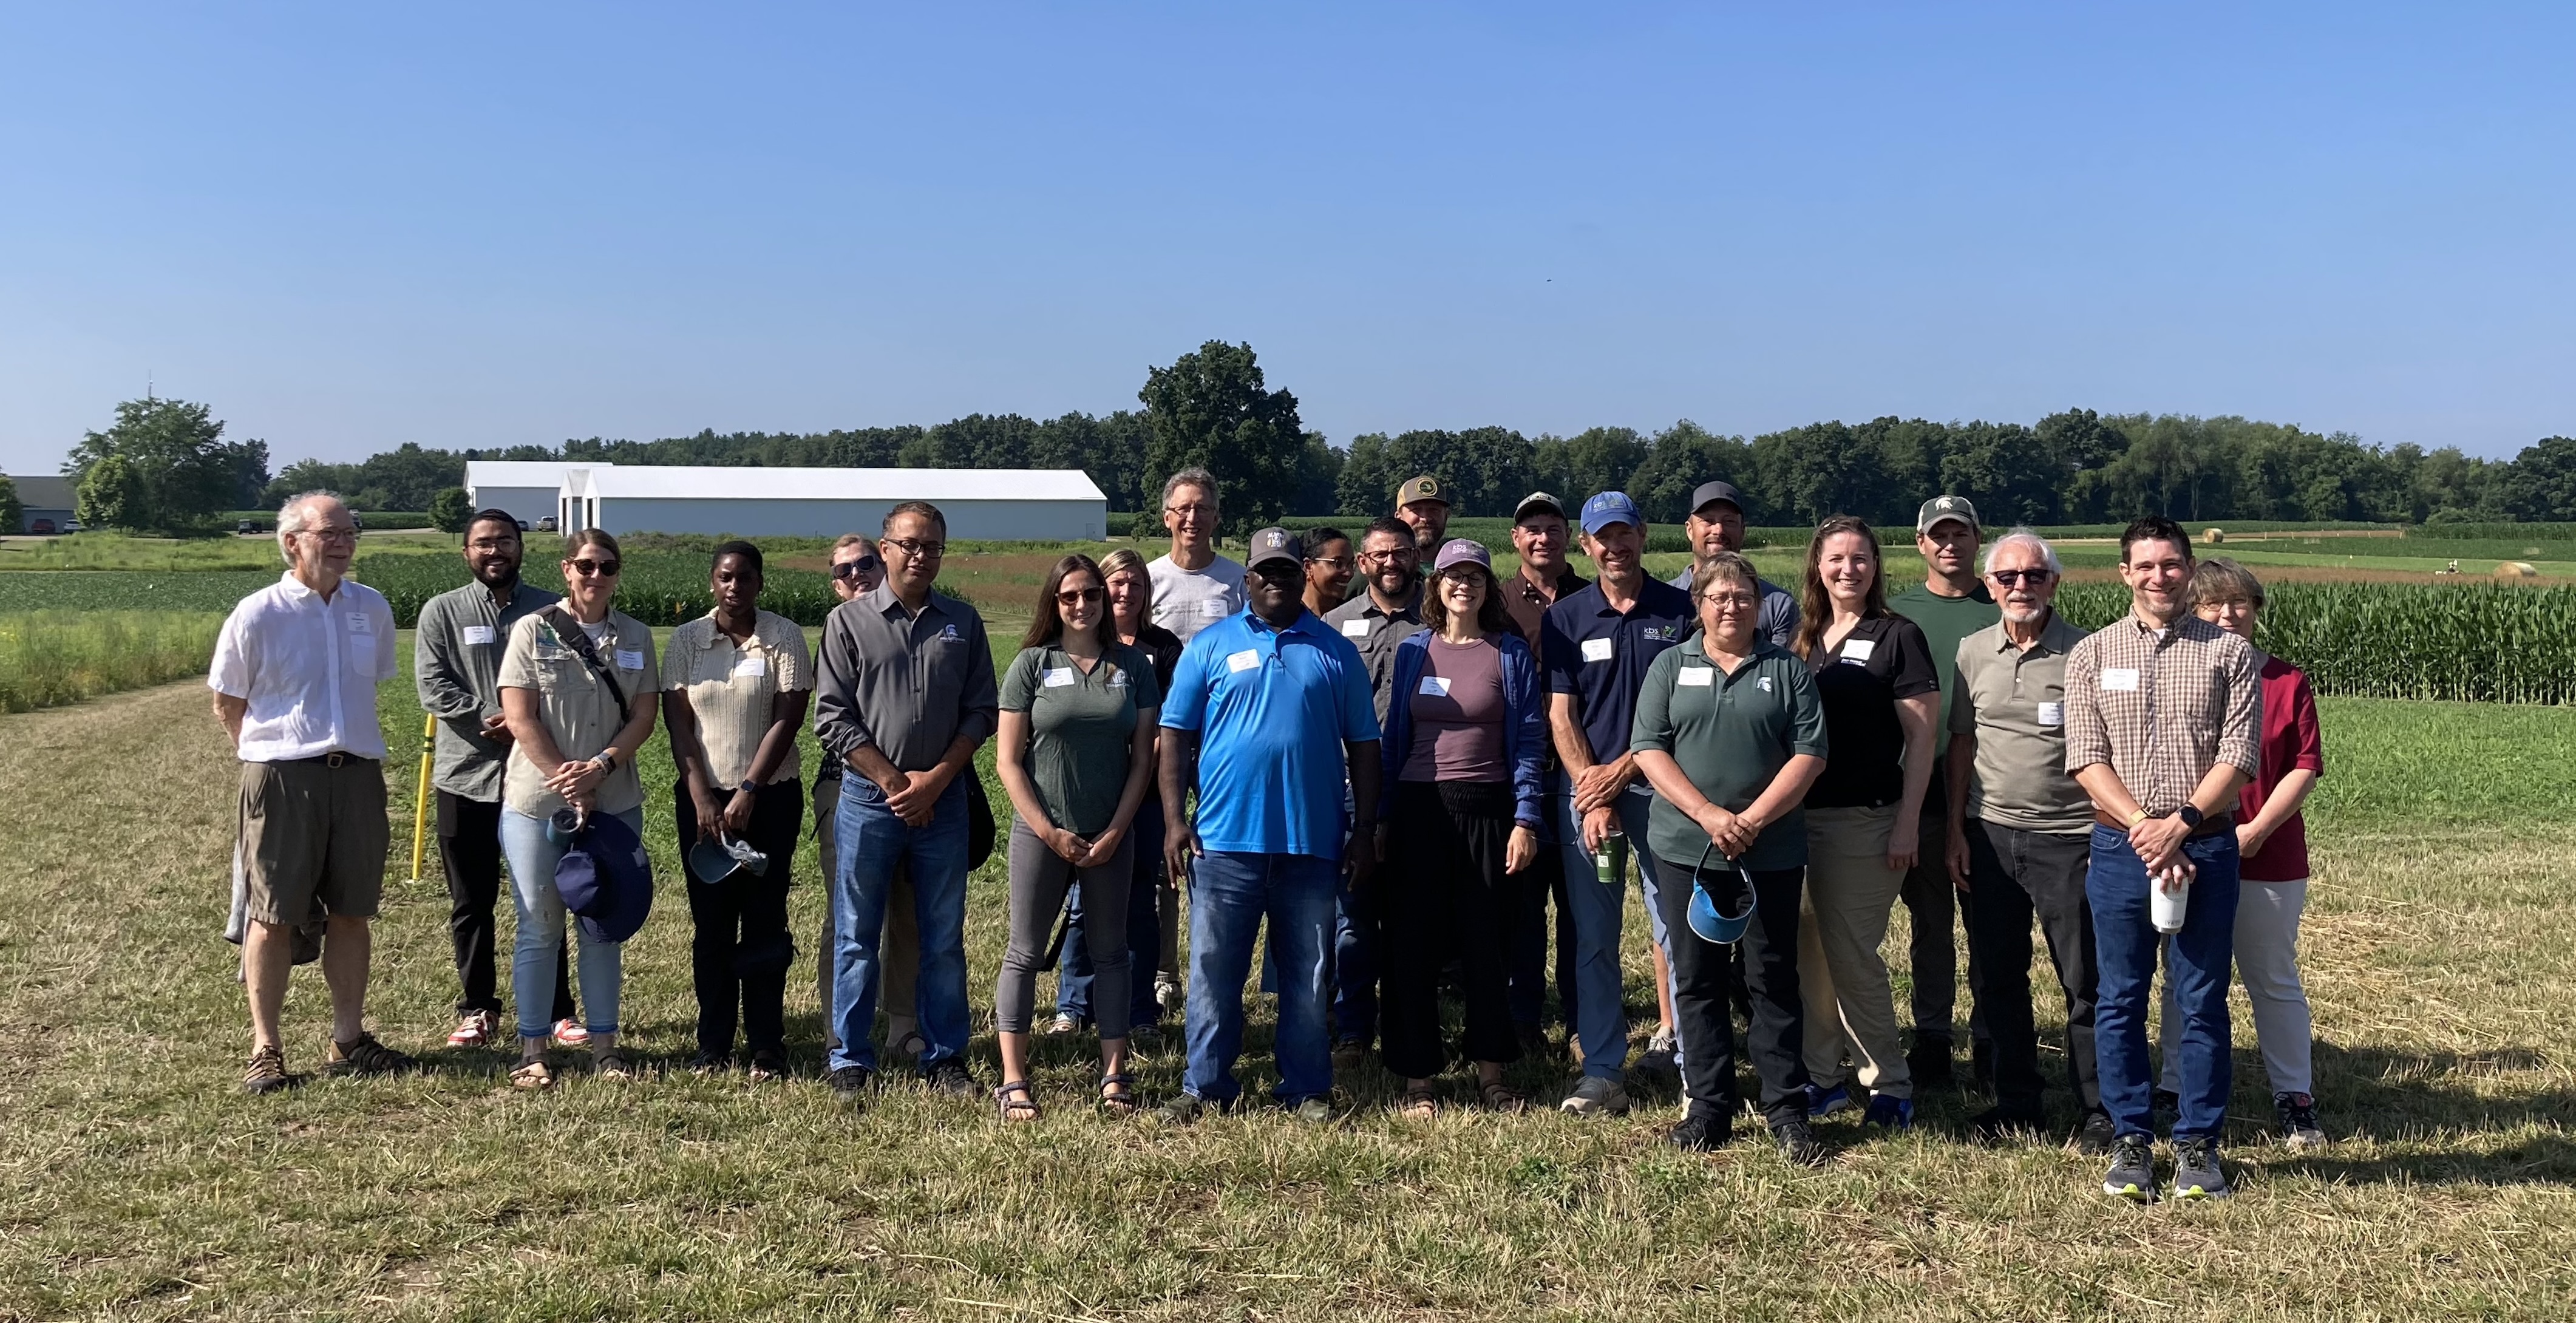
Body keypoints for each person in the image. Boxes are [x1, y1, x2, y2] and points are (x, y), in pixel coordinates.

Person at [1154, 527, 1381, 1124]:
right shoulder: (1210, 646)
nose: (1275, 582)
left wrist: (1362, 831)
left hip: (1311, 844)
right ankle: (1206, 1087)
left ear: (1301, 575)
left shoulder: (1335, 652)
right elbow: (1174, 737)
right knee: (1212, 975)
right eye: (1265, 573)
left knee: (1307, 978)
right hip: (1223, 843)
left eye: (1286, 571)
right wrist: (1175, 820)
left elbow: (1363, 745)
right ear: (1246, 580)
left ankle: (1305, 1089)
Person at [2066, 516, 2262, 1202]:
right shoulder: (2091, 654)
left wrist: (2178, 824)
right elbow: (2085, 758)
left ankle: (2198, 1145)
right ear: (2124, 572)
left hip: (2204, 842)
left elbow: (2238, 756)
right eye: (2145, 565)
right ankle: (2130, 1139)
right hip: (2121, 846)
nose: (2159, 576)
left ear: (2188, 568)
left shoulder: (2228, 653)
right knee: (2119, 998)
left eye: (2171, 564)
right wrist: (2145, 828)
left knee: (2201, 997)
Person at [1631, 550, 1830, 1163]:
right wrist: (1710, 816)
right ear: (1699, 606)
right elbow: (1648, 749)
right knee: (1696, 980)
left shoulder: (1786, 670)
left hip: (1768, 849)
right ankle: (1709, 1107)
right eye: (1717, 596)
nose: (1730, 606)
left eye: (1741, 595)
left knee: (1770, 977)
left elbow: (1809, 754)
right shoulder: (1670, 665)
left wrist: (1750, 820)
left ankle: (1786, 1110)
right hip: (1685, 848)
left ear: (1757, 603)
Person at [212, 491, 413, 1093]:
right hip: (282, 775)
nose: (344, 541)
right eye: (330, 532)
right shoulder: (258, 613)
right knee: (271, 915)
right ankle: (266, 1047)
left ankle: (348, 1039)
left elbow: (367, 685)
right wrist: (266, 762)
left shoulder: (371, 608)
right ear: (292, 541)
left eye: (351, 531)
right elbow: (229, 701)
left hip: (356, 775)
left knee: (353, 912)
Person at [814, 501, 1000, 1101]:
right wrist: (898, 786)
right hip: (869, 802)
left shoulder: (963, 623)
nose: (921, 555)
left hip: (943, 805)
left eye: (932, 547)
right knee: (855, 932)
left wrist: (936, 782)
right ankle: (850, 1059)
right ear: (885, 548)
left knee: (941, 936)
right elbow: (832, 717)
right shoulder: (848, 624)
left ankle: (945, 1057)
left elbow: (980, 712)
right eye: (909, 544)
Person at [1946, 530, 2111, 1151]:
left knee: (2084, 979)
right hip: (1989, 836)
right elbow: (1962, 742)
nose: (2021, 587)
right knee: (1997, 977)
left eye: (2034, 576)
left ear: (2054, 583)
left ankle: (2100, 1108)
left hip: (2070, 839)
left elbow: (2110, 748)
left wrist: (2106, 829)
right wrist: (1959, 830)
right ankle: (2017, 1101)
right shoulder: (1971, 653)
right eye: (2008, 577)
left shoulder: (2087, 654)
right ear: (1989, 586)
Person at [2159, 558, 2328, 1150]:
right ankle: (2174, 1087)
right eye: (2212, 604)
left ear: (2255, 610)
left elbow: (2305, 766)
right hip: (2187, 852)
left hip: (2267, 853)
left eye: (2240, 603)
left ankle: (2294, 1098)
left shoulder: (2286, 682)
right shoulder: (2176, 677)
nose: (2228, 614)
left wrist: (2254, 830)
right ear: (2189, 611)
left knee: (2271, 977)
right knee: (2182, 976)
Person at [1375, 540, 1546, 1114]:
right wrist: (1383, 815)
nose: (1462, 585)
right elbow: (1395, 738)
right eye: (1452, 575)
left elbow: (1527, 741)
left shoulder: (1508, 652)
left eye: (1474, 576)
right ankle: (1418, 1077)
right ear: (1436, 584)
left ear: (1486, 587)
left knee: (1487, 943)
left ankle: (1491, 1072)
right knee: (1412, 944)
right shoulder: (1412, 652)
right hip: (1419, 808)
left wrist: (1526, 817)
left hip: (1489, 810)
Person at [1539, 491, 1696, 1116]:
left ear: (1643, 535)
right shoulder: (1565, 618)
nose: (1614, 545)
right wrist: (1591, 791)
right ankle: (1603, 1071)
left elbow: (1683, 710)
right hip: (1589, 801)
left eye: (1624, 532)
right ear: (1585, 545)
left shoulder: (1681, 612)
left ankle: (1694, 1068)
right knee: (1595, 938)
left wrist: (1623, 770)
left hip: (1665, 795)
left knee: (1676, 930)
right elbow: (1560, 712)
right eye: (1601, 536)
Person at [992, 554, 1162, 1118]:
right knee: (1024, 951)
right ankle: (1014, 1078)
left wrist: (1116, 829)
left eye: (1090, 593)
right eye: (1069, 596)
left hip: (1110, 834)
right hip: (1042, 832)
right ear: (1054, 602)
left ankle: (1114, 1073)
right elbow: (1008, 763)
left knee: (1113, 953)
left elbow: (1144, 759)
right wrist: (1049, 831)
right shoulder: (1030, 665)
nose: (1082, 604)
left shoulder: (1133, 666)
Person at [495, 528, 661, 1087]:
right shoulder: (532, 630)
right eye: (586, 566)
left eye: (607, 567)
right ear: (567, 569)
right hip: (537, 802)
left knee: (601, 925)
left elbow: (643, 716)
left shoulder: (636, 636)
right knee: (539, 925)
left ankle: (605, 1046)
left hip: (614, 801)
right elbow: (519, 716)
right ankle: (534, 1047)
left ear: (618, 573)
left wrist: (601, 767)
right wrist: (568, 781)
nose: (596, 576)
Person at [1790, 515, 1939, 1129]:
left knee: (1851, 955)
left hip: (1865, 820)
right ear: (1816, 568)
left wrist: (1907, 822)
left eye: (1860, 558)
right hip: (1796, 821)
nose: (1848, 569)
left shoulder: (1897, 636)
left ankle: (1888, 1084)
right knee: (1810, 957)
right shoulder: (1801, 637)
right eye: (1836, 559)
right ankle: (1822, 1077)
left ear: (1875, 567)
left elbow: (1923, 738)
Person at [414, 508, 576, 1050]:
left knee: (545, 896)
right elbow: (434, 685)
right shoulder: (442, 611)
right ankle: (478, 1008)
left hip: (537, 778)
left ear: (520, 548)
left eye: (504, 541)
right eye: (483, 543)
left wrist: (529, 728)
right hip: (466, 777)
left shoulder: (554, 610)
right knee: (471, 900)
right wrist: (496, 716)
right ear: (466, 552)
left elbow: (570, 681)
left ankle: (558, 1011)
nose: (494, 551)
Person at [663, 540, 813, 1080]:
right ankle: (714, 1042)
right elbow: (679, 722)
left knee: (765, 920)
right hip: (703, 802)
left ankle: (768, 1044)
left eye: (745, 578)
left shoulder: (782, 637)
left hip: (768, 799)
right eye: (725, 577)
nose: (734, 586)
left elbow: (788, 717)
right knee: (712, 925)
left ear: (759, 583)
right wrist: (702, 794)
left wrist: (749, 788)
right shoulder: (687, 640)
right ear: (712, 582)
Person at [1052, 547, 1187, 1046]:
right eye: (1115, 582)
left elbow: (1168, 722)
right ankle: (1073, 1004)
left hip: (1146, 797)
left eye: (1134, 583)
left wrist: (1138, 762)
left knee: (1139, 903)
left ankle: (1140, 1010)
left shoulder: (1162, 648)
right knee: (1082, 903)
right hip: (1087, 796)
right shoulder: (1081, 645)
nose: (1125, 591)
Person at [1888, 495, 2000, 1089]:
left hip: (1990, 792)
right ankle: (1932, 1034)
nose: (1949, 544)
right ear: (1921, 543)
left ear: (1977, 539)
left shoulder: (2003, 602)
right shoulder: (1897, 613)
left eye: (1960, 534)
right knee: (1929, 922)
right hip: (1921, 789)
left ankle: (1989, 1037)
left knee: (1987, 924)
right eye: (1939, 535)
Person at [812, 536, 925, 1060]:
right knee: (848, 914)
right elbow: (832, 721)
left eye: (865, 563)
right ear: (835, 585)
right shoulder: (839, 631)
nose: (857, 573)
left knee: (909, 909)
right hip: (846, 786)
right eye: (845, 570)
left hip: (921, 789)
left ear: (884, 562)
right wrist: (888, 779)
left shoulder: (918, 625)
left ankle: (904, 1024)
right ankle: (842, 1032)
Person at [1319, 516, 1427, 1059]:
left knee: (1413, 916)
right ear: (1362, 563)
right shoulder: (1334, 625)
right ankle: (1355, 1028)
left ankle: (1410, 1030)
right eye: (1380, 554)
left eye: (1400, 552)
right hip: (1345, 787)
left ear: (1415, 556)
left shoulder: (1437, 619)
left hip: (1416, 787)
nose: (1391, 562)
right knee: (1353, 915)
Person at [1499, 492, 1586, 1047]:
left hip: (1582, 773)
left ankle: (1582, 1019)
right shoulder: (1500, 603)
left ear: (1568, 535)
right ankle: (1525, 1018)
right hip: (1523, 773)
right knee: (1524, 907)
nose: (1542, 538)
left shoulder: (1592, 595)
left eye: (1552, 527)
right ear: (1516, 538)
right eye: (1531, 528)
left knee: (1580, 907)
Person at [1666, 480, 1797, 647]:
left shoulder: (1778, 605)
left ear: (1743, 530)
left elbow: (1783, 669)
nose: (1719, 530)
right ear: (1689, 530)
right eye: (1708, 521)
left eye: (1729, 521)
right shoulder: (1664, 601)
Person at [1148, 468, 1245, 644]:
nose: (1192, 518)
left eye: (1201, 509)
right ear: (1167, 518)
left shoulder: (1239, 581)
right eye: (1183, 509)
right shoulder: (1148, 580)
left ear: (1215, 518)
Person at [1301, 526, 1355, 617]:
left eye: (1351, 564)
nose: (1349, 573)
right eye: (1338, 564)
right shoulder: (1289, 619)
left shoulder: (1353, 617)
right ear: (1308, 567)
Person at [1394, 474, 1450, 553]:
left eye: (1434, 510)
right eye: (1416, 510)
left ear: (1446, 516)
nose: (1425, 518)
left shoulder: (1463, 563)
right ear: (1399, 518)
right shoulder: (1387, 564)